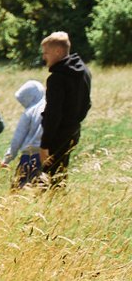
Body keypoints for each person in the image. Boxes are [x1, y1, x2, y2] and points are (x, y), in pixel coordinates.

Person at [39, 31, 92, 184]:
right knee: (60, 177)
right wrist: (74, 122)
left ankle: (53, 207)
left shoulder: (57, 78)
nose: (44, 57)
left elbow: (53, 114)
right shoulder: (84, 72)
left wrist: (44, 145)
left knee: (50, 181)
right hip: (73, 132)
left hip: (56, 136)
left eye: (46, 53)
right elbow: (87, 104)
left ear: (58, 51)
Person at [0, 80, 46, 188]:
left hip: (29, 156)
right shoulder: (50, 107)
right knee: (42, 190)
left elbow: (18, 138)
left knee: (18, 191)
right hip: (47, 153)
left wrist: (8, 158)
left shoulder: (29, 112)